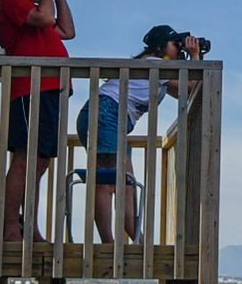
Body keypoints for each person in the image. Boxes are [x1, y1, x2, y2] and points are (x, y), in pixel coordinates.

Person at [74, 24, 203, 242]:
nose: (178, 48)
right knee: (106, 181)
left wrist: (192, 59)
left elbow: (185, 93)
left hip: (108, 117)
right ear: (160, 47)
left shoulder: (157, 71)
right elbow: (190, 86)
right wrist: (195, 56)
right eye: (175, 44)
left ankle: (135, 236)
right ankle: (108, 242)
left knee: (126, 182)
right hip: (106, 113)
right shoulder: (155, 64)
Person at [0, 0, 75, 242]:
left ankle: (29, 226)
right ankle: (10, 228)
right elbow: (44, 19)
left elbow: (67, 30)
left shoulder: (34, 3)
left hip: (48, 88)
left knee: (40, 161)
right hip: (30, 88)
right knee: (26, 159)